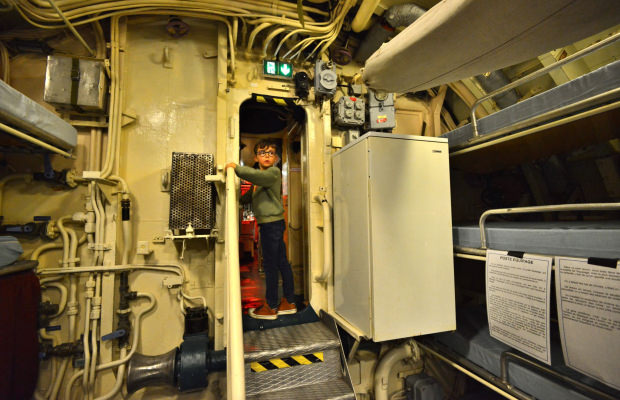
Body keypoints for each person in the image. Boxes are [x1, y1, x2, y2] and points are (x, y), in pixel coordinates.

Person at [225, 139, 296, 320]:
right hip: (271, 224)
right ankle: (288, 302)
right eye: (263, 153)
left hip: (271, 225)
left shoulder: (271, 173)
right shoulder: (260, 178)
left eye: (271, 153)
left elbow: (258, 178)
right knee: (281, 262)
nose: (267, 156)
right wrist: (236, 199)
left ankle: (271, 306)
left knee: (271, 265)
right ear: (256, 157)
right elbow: (249, 195)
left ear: (276, 158)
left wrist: (236, 168)